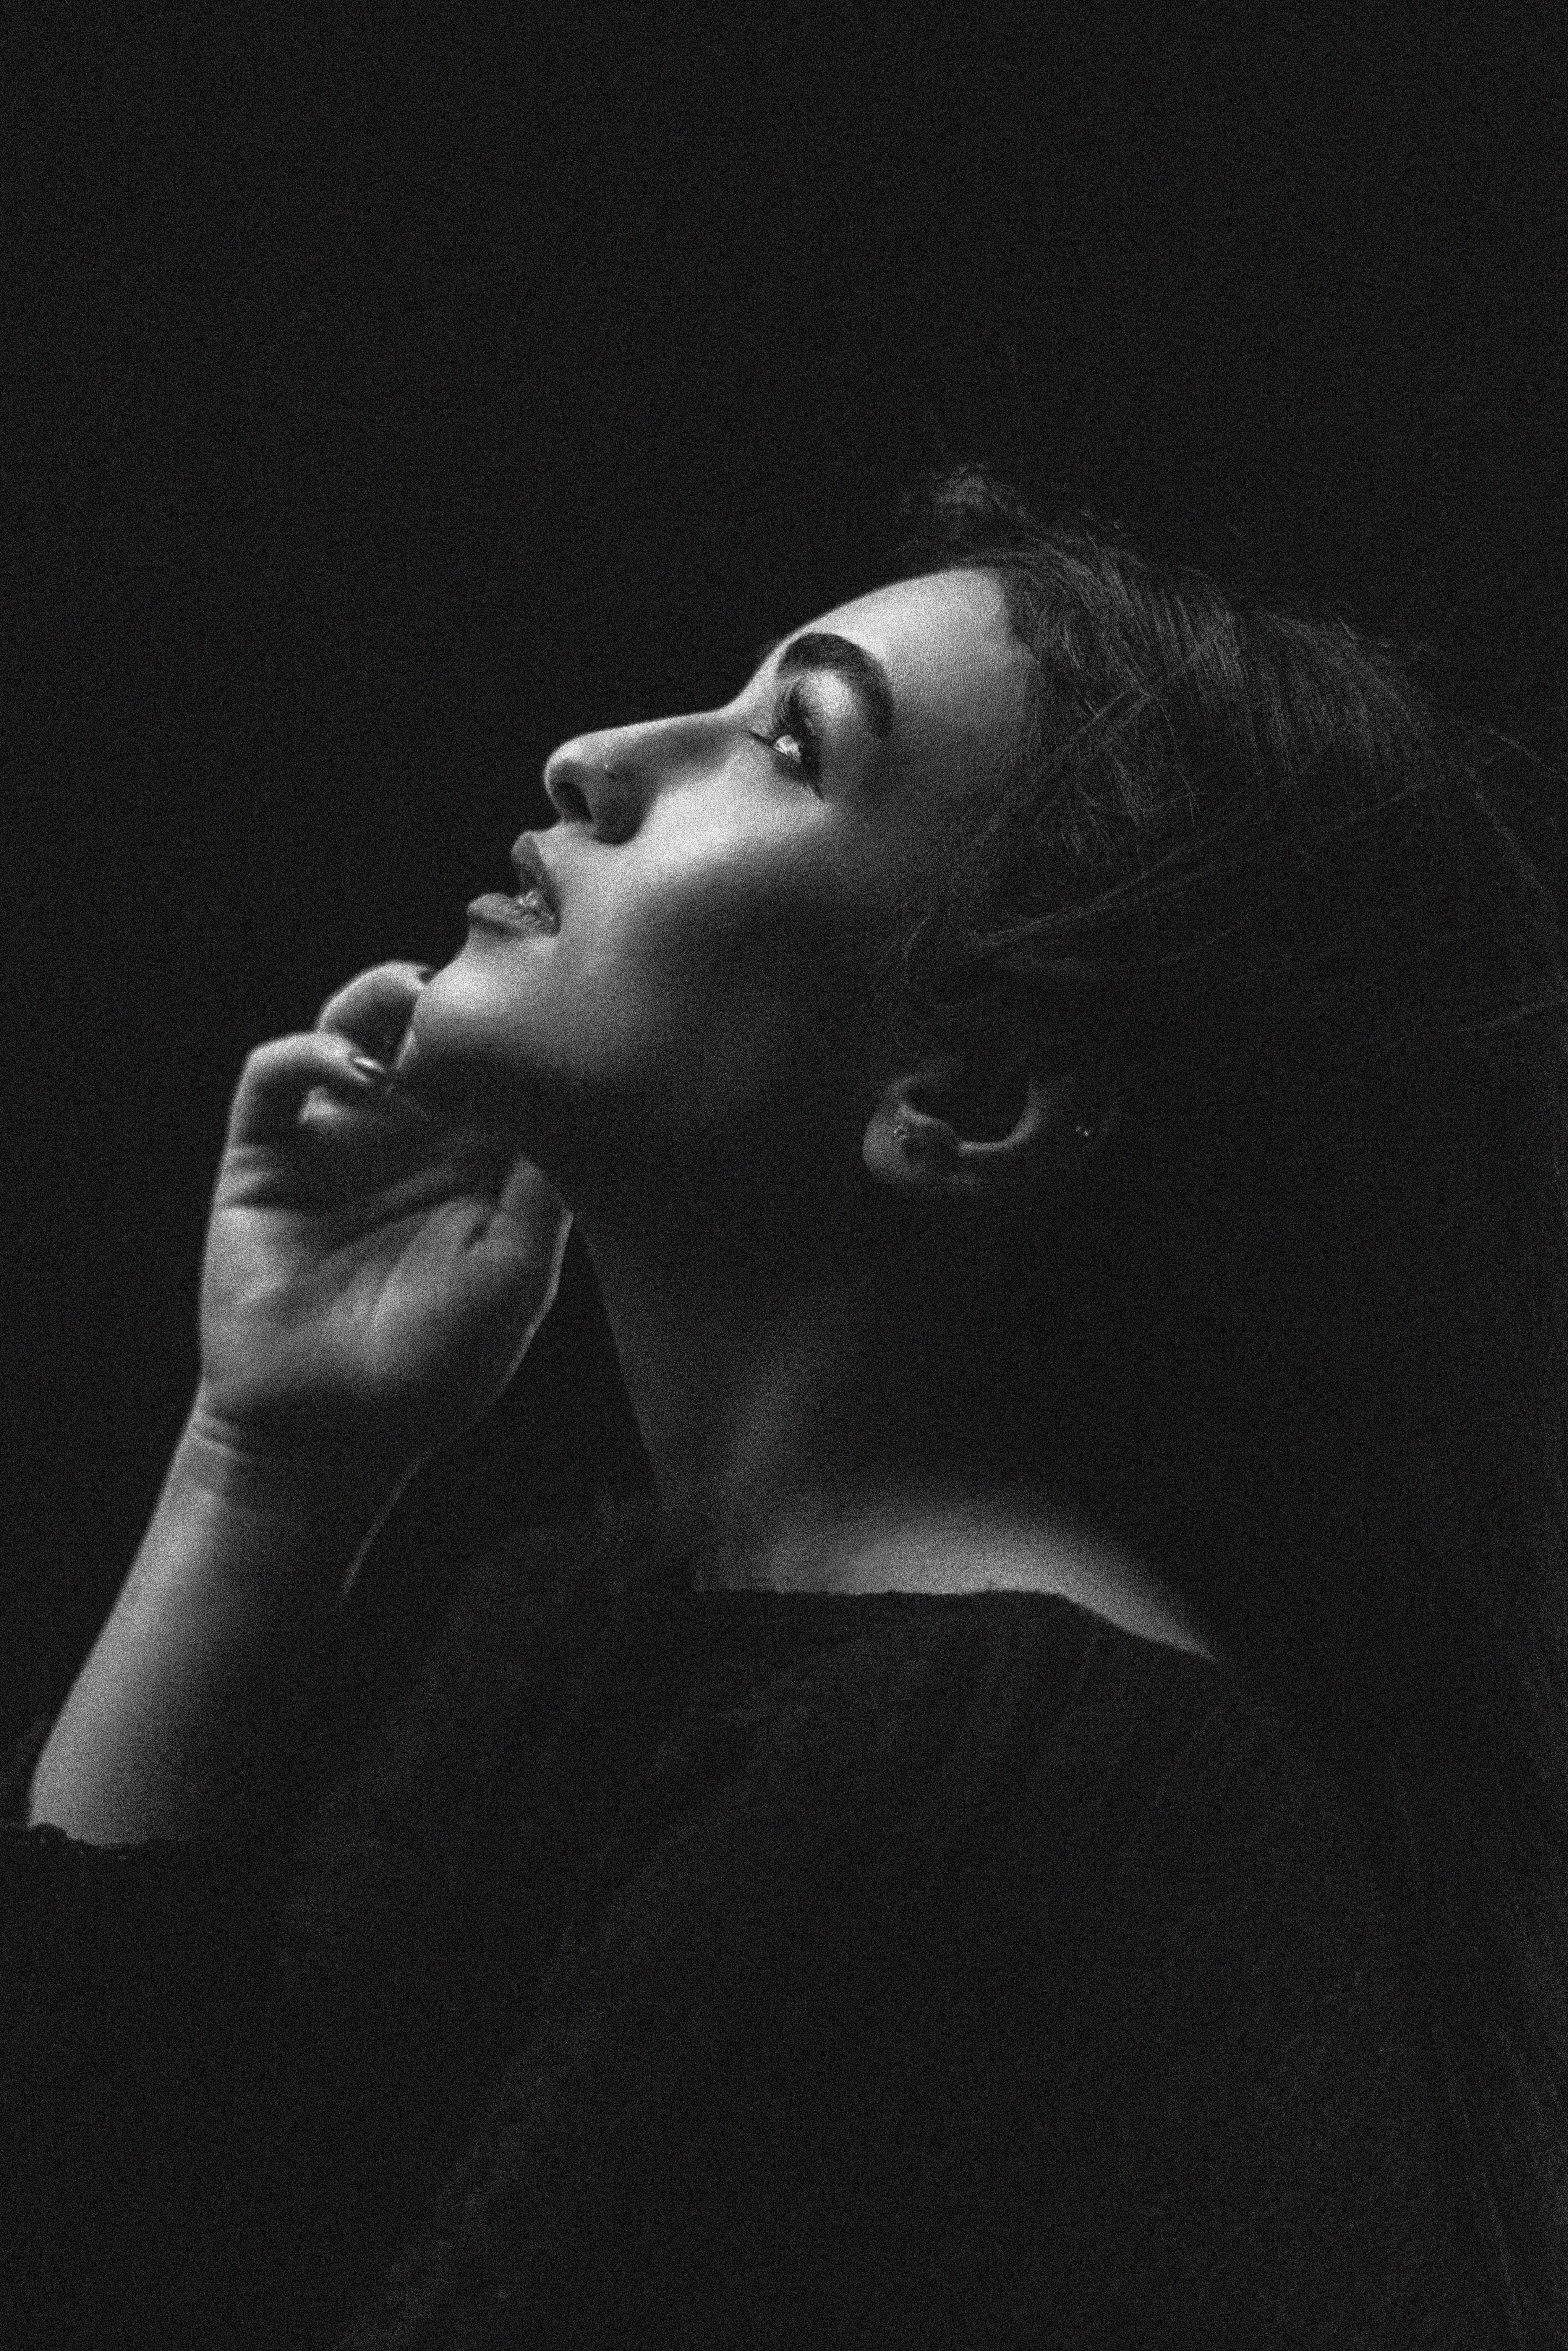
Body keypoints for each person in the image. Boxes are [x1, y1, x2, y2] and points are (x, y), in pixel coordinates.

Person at [3, 464, 1561, 2346]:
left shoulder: (1000, 1786)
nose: (595, 755)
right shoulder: (590, 1640)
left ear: (966, 1100)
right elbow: (94, 2244)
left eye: (790, 746)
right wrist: (263, 1466)